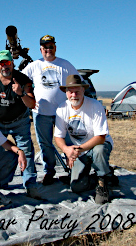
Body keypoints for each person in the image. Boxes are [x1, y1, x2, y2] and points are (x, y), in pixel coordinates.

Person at [0, 50, 41, 199]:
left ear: (12, 63)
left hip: (19, 123)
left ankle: (30, 185)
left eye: (7, 62)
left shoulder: (22, 79)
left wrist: (21, 93)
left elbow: (32, 104)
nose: (5, 66)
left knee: (26, 152)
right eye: (1, 63)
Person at [22, 35, 81, 185]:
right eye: (45, 47)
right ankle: (49, 172)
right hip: (41, 113)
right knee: (45, 144)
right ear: (41, 49)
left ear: (55, 47)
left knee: (69, 142)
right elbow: (19, 79)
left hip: (64, 113)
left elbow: (78, 82)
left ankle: (74, 172)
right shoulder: (34, 65)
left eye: (50, 47)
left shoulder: (65, 64)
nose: (48, 50)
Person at [54, 74, 117, 204]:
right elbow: (58, 137)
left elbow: (100, 137)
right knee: (76, 187)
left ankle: (102, 182)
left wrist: (77, 150)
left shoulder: (95, 106)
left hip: (96, 145)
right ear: (66, 93)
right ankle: (105, 175)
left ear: (83, 90)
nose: (74, 95)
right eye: (70, 91)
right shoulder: (61, 109)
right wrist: (67, 150)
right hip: (79, 149)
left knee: (99, 150)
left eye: (77, 91)